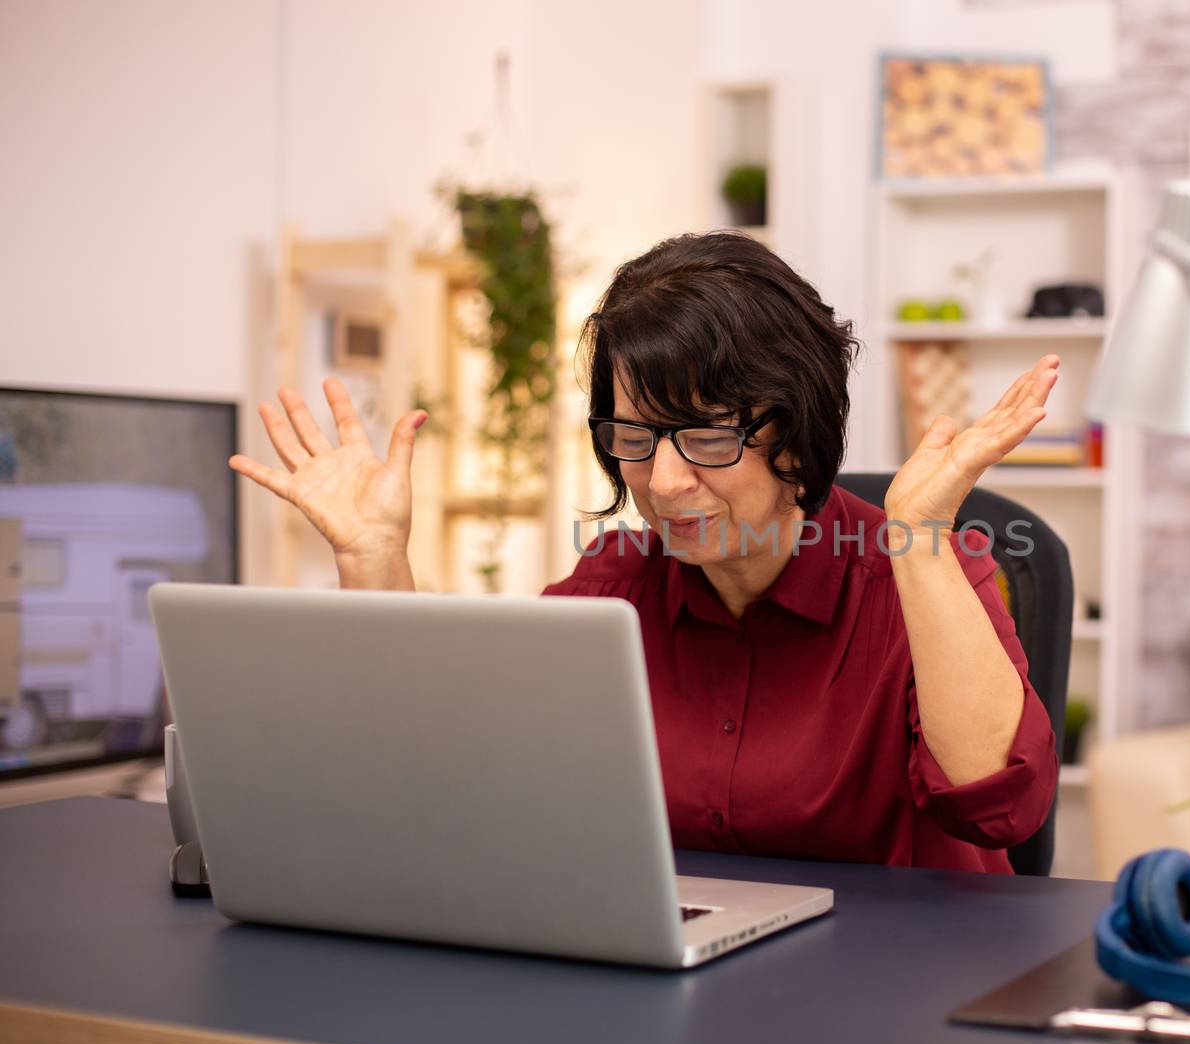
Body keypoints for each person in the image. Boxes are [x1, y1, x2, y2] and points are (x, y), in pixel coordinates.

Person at [230, 231, 1060, 873]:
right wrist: (375, 559)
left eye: (703, 434)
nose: (662, 480)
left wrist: (917, 537)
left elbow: (1003, 809)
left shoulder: (915, 575)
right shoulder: (611, 591)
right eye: (634, 433)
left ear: (796, 430)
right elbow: (448, 784)